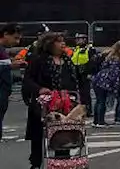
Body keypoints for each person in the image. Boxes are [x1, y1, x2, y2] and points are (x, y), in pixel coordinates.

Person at [22, 31, 79, 169]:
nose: (63, 44)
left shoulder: (67, 60)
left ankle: (62, 160)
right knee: (38, 134)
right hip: (44, 102)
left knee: (63, 132)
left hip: (65, 102)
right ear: (49, 44)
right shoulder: (38, 60)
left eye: (63, 41)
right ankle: (36, 162)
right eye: (59, 41)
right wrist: (39, 89)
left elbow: (75, 80)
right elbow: (28, 80)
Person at [0, 23, 23, 140]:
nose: (17, 42)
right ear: (5, 34)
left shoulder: (3, 50)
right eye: (15, 38)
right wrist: (10, 66)